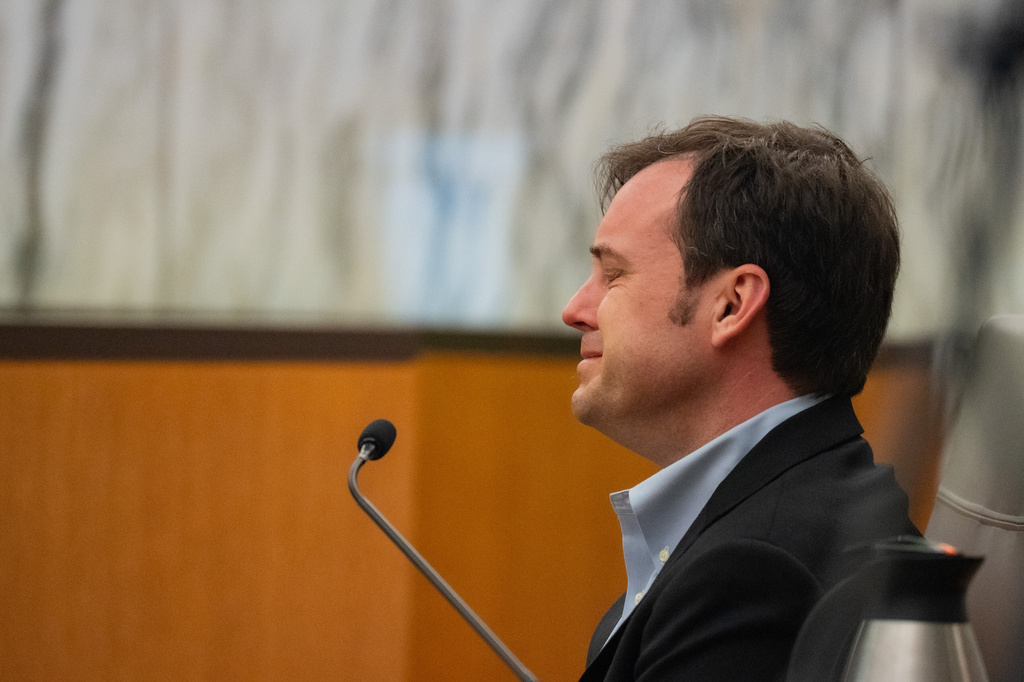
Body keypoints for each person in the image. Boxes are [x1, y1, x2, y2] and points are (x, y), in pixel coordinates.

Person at [561, 116, 920, 681]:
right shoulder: (813, 506)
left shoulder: (753, 572)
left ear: (731, 305)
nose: (575, 309)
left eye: (614, 274)